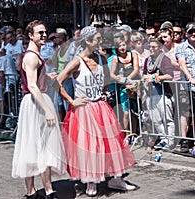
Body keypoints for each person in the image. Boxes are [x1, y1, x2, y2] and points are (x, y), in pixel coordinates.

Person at [55, 26, 136, 197]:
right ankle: (91, 180)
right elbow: (57, 82)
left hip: (100, 106)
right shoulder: (77, 61)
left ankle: (116, 178)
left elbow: (106, 77)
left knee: (112, 142)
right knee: (90, 146)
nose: (101, 42)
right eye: (97, 39)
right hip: (84, 109)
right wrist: (71, 101)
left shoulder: (101, 57)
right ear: (87, 41)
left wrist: (105, 91)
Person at [12, 20, 66, 199]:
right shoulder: (31, 56)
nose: (44, 35)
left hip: (37, 100)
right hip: (35, 103)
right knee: (36, 146)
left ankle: (40, 190)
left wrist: (48, 77)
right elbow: (33, 86)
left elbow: (35, 81)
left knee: (39, 145)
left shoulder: (35, 55)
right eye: (40, 33)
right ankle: (36, 191)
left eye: (45, 32)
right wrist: (48, 111)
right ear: (30, 35)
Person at [175, 22, 195, 153]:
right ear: (186, 34)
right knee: (185, 113)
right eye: (190, 32)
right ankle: (183, 140)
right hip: (186, 86)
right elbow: (182, 65)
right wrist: (190, 78)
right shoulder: (181, 47)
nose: (193, 34)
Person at [143, 38, 175, 149]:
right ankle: (163, 138)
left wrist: (156, 78)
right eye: (149, 47)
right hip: (151, 93)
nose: (151, 49)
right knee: (156, 119)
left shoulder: (165, 59)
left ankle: (170, 141)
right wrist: (149, 78)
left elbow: (170, 75)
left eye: (154, 47)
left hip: (164, 92)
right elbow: (144, 74)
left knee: (167, 118)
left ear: (160, 48)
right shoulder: (148, 60)